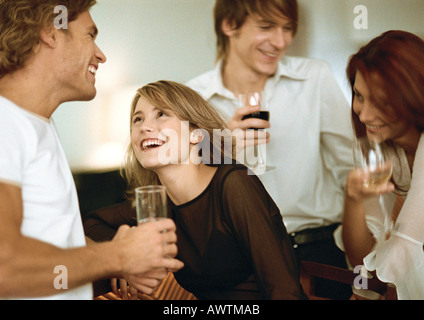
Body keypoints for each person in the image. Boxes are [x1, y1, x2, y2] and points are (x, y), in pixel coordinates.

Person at [0, 0, 183, 300]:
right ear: (51, 30)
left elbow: (56, 238)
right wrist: (116, 256)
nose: (101, 55)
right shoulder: (5, 122)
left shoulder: (38, 124)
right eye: (90, 35)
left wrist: (119, 261)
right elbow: (4, 268)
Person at [186, 0, 354, 299]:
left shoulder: (314, 77)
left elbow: (351, 169)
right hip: (240, 263)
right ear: (229, 25)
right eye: (266, 27)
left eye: (288, 29)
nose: (280, 42)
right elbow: (188, 194)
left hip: (317, 254)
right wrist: (220, 146)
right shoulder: (193, 98)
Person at [84, 80, 307, 300]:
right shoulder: (159, 205)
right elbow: (91, 223)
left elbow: (285, 291)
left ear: (196, 134)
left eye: (161, 114)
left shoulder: (233, 183)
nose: (144, 127)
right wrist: (123, 261)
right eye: (137, 119)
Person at [342, 30, 424, 300]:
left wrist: (363, 290)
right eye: (358, 96)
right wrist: (353, 198)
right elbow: (360, 260)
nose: (364, 114)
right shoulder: (381, 150)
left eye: (380, 101)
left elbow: (400, 256)